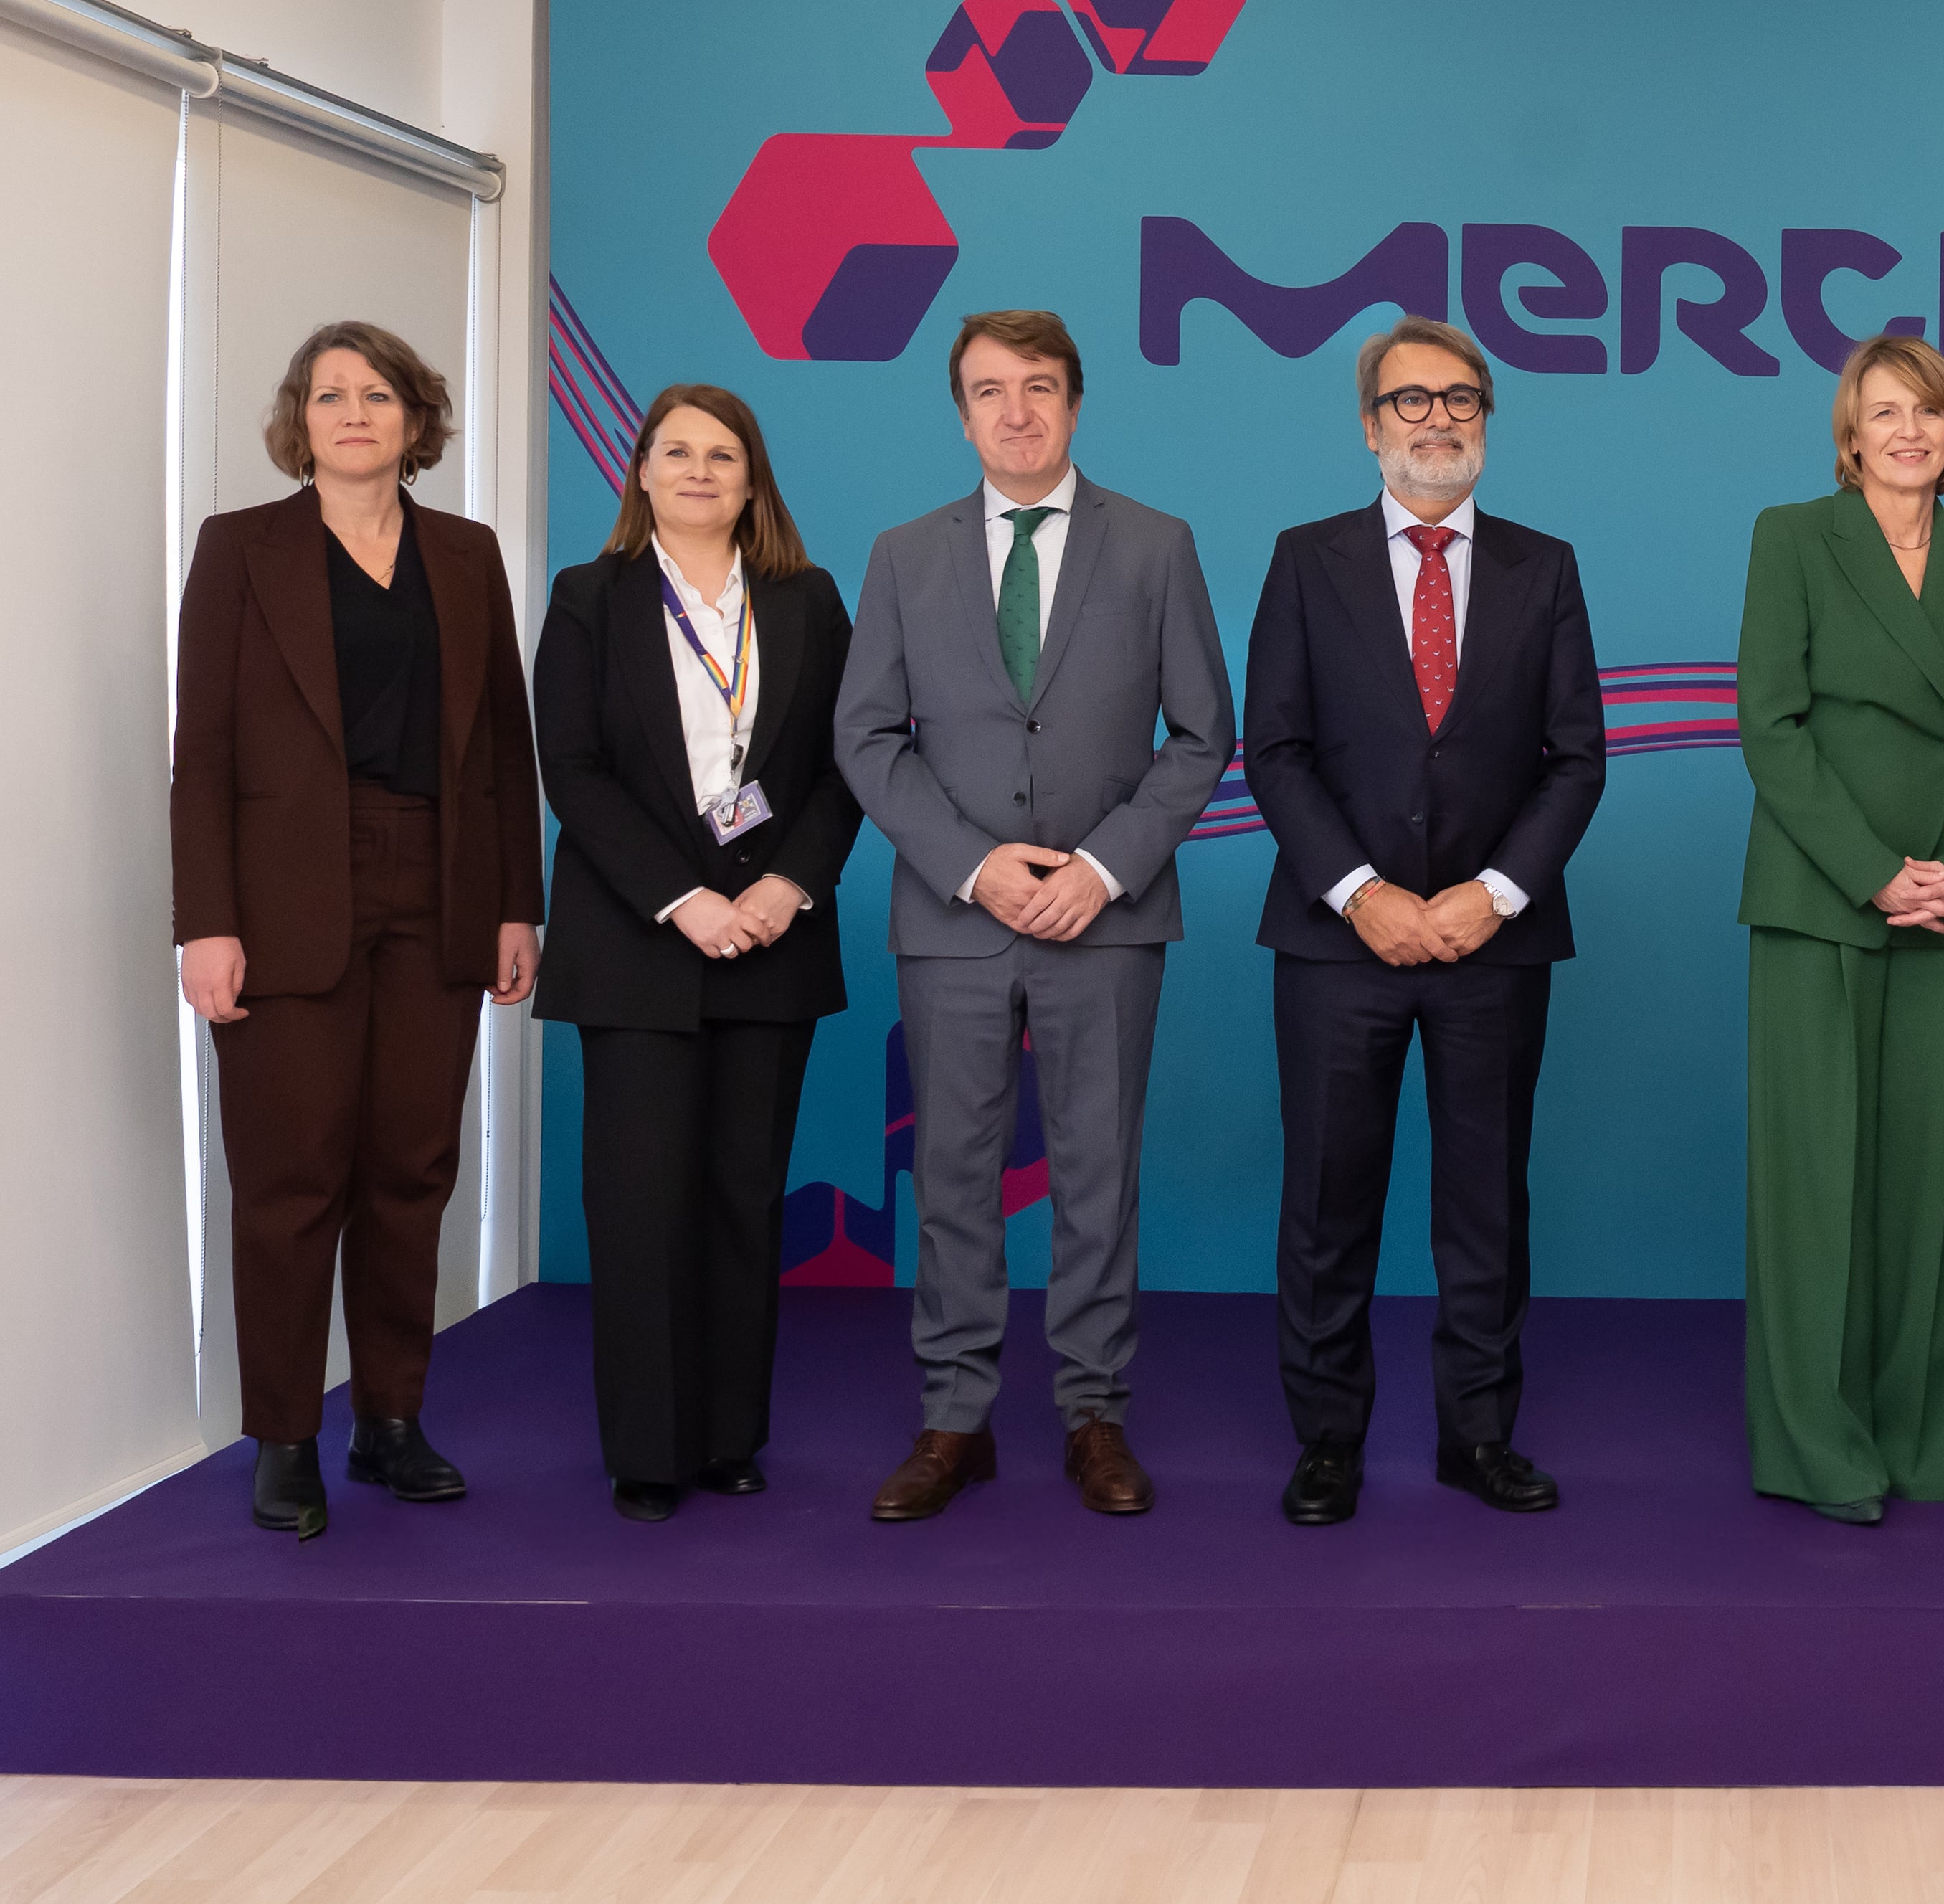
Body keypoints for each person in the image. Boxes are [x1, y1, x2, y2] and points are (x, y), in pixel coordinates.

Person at [833, 309, 1233, 1522]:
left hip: (1105, 919)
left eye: (1041, 386)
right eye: (991, 390)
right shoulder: (905, 555)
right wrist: (974, 866)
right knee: (951, 1173)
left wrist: (1098, 870)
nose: (1017, 410)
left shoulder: (1157, 545)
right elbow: (865, 734)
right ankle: (955, 1419)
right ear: (960, 412)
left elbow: (1203, 733)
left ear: (1075, 402)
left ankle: (1093, 1414)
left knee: (1095, 1176)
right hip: (955, 919)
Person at [171, 323, 542, 1540]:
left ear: (414, 418)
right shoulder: (241, 550)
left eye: (375, 392)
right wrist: (206, 923)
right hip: (285, 901)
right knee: (290, 1177)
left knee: (410, 1169)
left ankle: (389, 1419)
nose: (351, 410)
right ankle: (287, 1433)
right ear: (301, 420)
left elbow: (501, 747)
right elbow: (204, 758)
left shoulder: (466, 553)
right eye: (328, 393)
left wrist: (513, 903)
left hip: (438, 884)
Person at [1240, 317, 1603, 1527]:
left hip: (1495, 947)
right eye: (1410, 401)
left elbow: (1576, 761)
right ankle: (1328, 1441)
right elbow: (1277, 751)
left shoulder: (1542, 567)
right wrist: (1366, 892)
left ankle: (1478, 1438)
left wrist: (1489, 895)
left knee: (1487, 1207)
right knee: (1329, 1205)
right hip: (1339, 943)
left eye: (1460, 399)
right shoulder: (1306, 559)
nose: (1437, 419)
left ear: (1486, 421)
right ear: (1368, 424)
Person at [534, 385, 862, 1523]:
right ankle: (646, 1448)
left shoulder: (810, 601)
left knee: (740, 1199)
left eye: (724, 453)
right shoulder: (590, 598)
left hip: (771, 941)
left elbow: (841, 765)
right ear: (639, 471)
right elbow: (571, 768)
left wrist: (785, 884)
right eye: (677, 450)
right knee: (638, 1204)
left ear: (753, 476)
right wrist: (683, 897)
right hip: (637, 944)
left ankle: (728, 1435)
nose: (700, 470)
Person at [1735, 336, 1944, 1525]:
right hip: (1821, 900)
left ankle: (1919, 1434)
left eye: (1931, 413)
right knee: (1815, 1184)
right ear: (1850, 436)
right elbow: (1771, 721)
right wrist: (1871, 872)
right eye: (1886, 412)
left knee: (1931, 1186)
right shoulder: (1793, 535)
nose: (1911, 431)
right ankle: (1817, 1443)